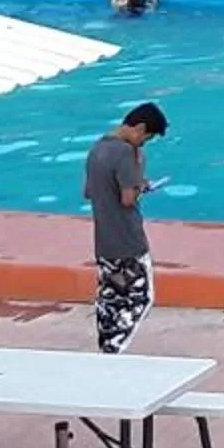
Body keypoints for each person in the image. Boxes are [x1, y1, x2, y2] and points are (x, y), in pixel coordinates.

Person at [84, 102, 169, 353]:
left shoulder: (97, 148)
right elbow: (127, 199)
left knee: (109, 297)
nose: (144, 143)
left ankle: (105, 345)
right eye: (147, 137)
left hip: (104, 241)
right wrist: (140, 179)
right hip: (128, 240)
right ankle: (115, 349)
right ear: (139, 128)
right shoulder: (126, 153)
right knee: (141, 298)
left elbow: (89, 192)